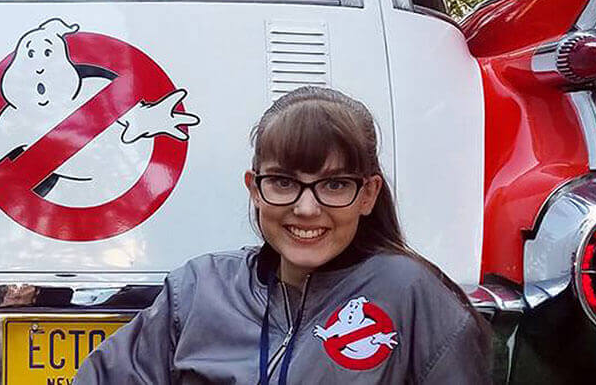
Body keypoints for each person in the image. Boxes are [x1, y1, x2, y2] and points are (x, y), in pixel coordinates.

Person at [73, 86, 491, 384]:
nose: (306, 208)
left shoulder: (413, 297)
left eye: (334, 184)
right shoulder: (199, 289)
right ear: (254, 188)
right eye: (284, 182)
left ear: (368, 194)